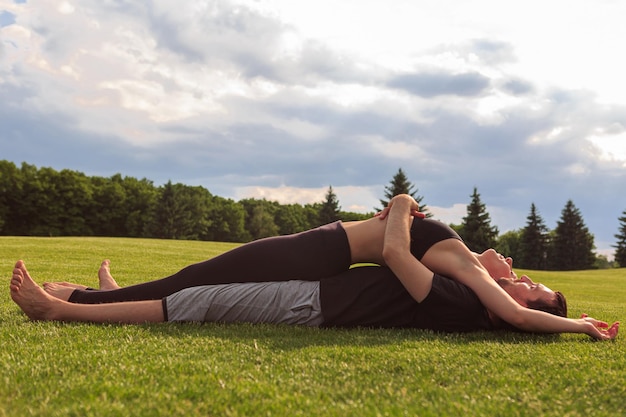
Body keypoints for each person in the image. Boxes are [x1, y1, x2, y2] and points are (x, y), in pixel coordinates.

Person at [10, 195, 618, 338]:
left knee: (201, 285)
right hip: (324, 250)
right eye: (525, 274)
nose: (515, 269)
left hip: (323, 255)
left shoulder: (480, 285)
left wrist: (403, 206)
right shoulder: (467, 266)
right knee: (202, 275)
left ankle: (80, 303)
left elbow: (390, 250)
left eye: (530, 282)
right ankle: (103, 294)